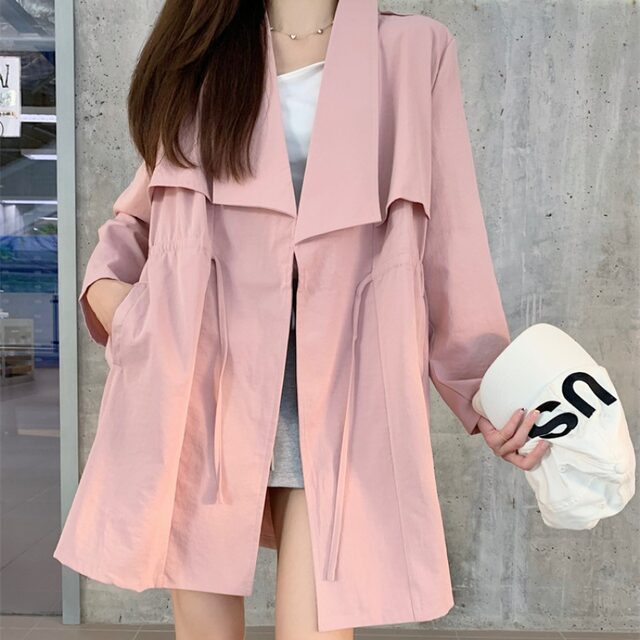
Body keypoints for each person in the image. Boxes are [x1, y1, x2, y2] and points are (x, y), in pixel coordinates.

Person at [73, 0, 550, 638]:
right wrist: (114, 297)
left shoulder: (413, 50)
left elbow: (451, 237)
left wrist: (490, 390)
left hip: (339, 394)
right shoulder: (204, 49)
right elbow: (143, 213)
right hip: (200, 385)